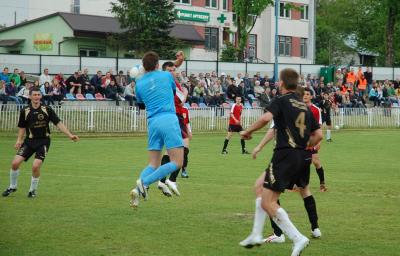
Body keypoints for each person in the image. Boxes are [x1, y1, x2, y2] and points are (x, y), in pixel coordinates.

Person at [240, 68, 323, 256]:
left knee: (268, 202)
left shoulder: (281, 101)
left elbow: (265, 118)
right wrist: (303, 145)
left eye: (278, 82)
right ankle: (255, 233)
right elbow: (318, 135)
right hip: (301, 157)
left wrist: (248, 131)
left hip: (285, 155)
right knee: (259, 187)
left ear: (281, 83)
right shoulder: (304, 107)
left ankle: (297, 238)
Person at [2, 87, 79, 198]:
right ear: (30, 96)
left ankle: (32, 190)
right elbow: (22, 127)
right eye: (34, 95)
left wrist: (70, 135)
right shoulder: (25, 110)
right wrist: (19, 140)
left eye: (38, 94)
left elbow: (58, 123)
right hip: (29, 142)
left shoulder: (47, 109)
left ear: (41, 96)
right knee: (15, 163)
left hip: (43, 141)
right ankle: (12, 187)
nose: (37, 96)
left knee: (35, 166)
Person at [129, 51, 184, 208]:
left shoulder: (139, 85)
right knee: (177, 161)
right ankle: (144, 182)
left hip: (153, 122)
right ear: (158, 65)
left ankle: (136, 191)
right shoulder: (166, 76)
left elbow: (141, 104)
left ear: (144, 67)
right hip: (168, 118)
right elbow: (173, 92)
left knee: (153, 163)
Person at [303, 88, 328, 192]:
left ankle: (322, 184)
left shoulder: (315, 109)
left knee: (316, 162)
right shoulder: (297, 108)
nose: (305, 96)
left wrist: (319, 141)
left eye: (307, 94)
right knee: (300, 163)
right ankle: (299, 185)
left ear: (311, 97)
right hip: (301, 140)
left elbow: (319, 126)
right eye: (303, 94)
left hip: (312, 139)